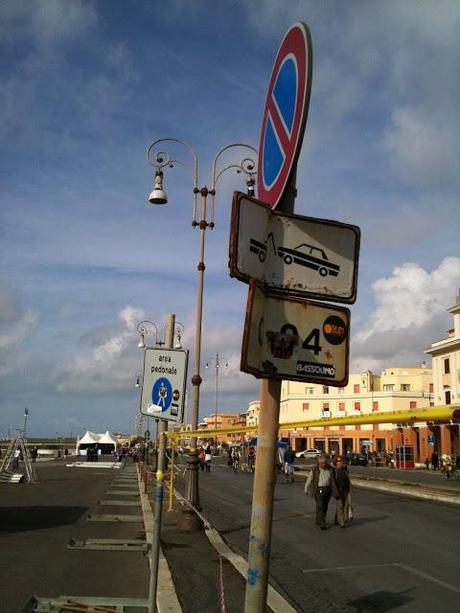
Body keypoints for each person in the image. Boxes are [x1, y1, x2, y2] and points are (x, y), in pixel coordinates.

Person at [304, 453, 337, 530]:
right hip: (319, 490)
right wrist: (306, 489)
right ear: (318, 463)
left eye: (324, 463)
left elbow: (333, 480)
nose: (323, 465)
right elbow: (309, 479)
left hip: (327, 489)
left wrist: (335, 490)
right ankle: (322, 523)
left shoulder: (330, 469)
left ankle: (319, 519)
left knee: (325, 507)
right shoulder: (314, 470)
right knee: (320, 506)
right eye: (321, 463)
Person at [333, 457, 351, 528]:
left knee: (342, 506)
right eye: (339, 461)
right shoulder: (334, 471)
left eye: (341, 461)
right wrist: (335, 490)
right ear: (336, 463)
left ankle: (336, 520)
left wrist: (349, 489)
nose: (340, 462)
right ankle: (342, 522)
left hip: (345, 490)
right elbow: (332, 481)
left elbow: (348, 480)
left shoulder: (345, 470)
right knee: (340, 506)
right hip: (338, 490)